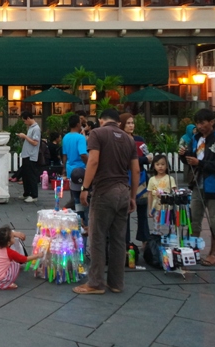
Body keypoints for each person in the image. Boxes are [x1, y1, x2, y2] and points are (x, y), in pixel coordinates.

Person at [73, 108, 138, 295]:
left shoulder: (97, 133)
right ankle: (116, 283)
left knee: (97, 237)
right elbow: (135, 171)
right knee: (118, 240)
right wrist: (132, 196)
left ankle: (95, 283)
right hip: (123, 191)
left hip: (104, 191)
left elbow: (93, 161)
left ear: (101, 120)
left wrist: (85, 188)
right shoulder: (129, 139)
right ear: (119, 122)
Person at [179, 108, 215, 267]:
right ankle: (194, 251)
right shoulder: (195, 138)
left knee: (214, 220)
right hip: (197, 184)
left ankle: (213, 253)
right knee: (194, 218)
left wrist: (199, 163)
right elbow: (191, 160)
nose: (200, 126)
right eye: (197, 123)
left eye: (203, 123)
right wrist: (183, 155)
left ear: (212, 122)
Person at [120, 113, 151, 247]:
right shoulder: (119, 140)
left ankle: (145, 240)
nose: (131, 125)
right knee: (125, 212)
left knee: (142, 212)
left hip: (141, 179)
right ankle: (126, 242)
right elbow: (125, 160)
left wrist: (147, 159)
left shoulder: (139, 139)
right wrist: (144, 160)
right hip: (125, 179)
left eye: (132, 123)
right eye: (128, 123)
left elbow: (148, 156)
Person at [0, 226, 43, 290]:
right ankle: (6, 284)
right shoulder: (9, 252)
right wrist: (38, 255)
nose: (14, 237)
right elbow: (24, 259)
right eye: (13, 237)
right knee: (15, 264)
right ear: (8, 243)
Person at [61, 114, 89, 223]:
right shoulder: (80, 138)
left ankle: (76, 215)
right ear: (78, 124)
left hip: (70, 169)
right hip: (81, 170)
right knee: (80, 197)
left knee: (74, 194)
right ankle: (81, 219)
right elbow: (83, 154)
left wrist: (64, 168)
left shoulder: (66, 137)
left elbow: (64, 155)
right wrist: (89, 165)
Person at [16, 111, 41, 203]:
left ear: (28, 118)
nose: (24, 123)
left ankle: (33, 195)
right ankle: (26, 193)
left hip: (31, 155)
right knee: (26, 176)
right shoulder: (31, 128)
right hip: (27, 154)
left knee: (31, 176)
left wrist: (25, 136)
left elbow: (35, 142)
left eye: (24, 121)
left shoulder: (36, 128)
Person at [147, 154, 177, 232]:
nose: (160, 166)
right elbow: (149, 194)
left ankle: (172, 239)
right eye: (157, 164)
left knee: (172, 226)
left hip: (169, 208)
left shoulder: (170, 178)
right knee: (156, 226)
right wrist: (150, 209)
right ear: (154, 166)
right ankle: (157, 239)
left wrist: (166, 195)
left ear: (167, 166)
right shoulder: (151, 180)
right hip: (156, 207)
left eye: (163, 164)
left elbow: (174, 192)